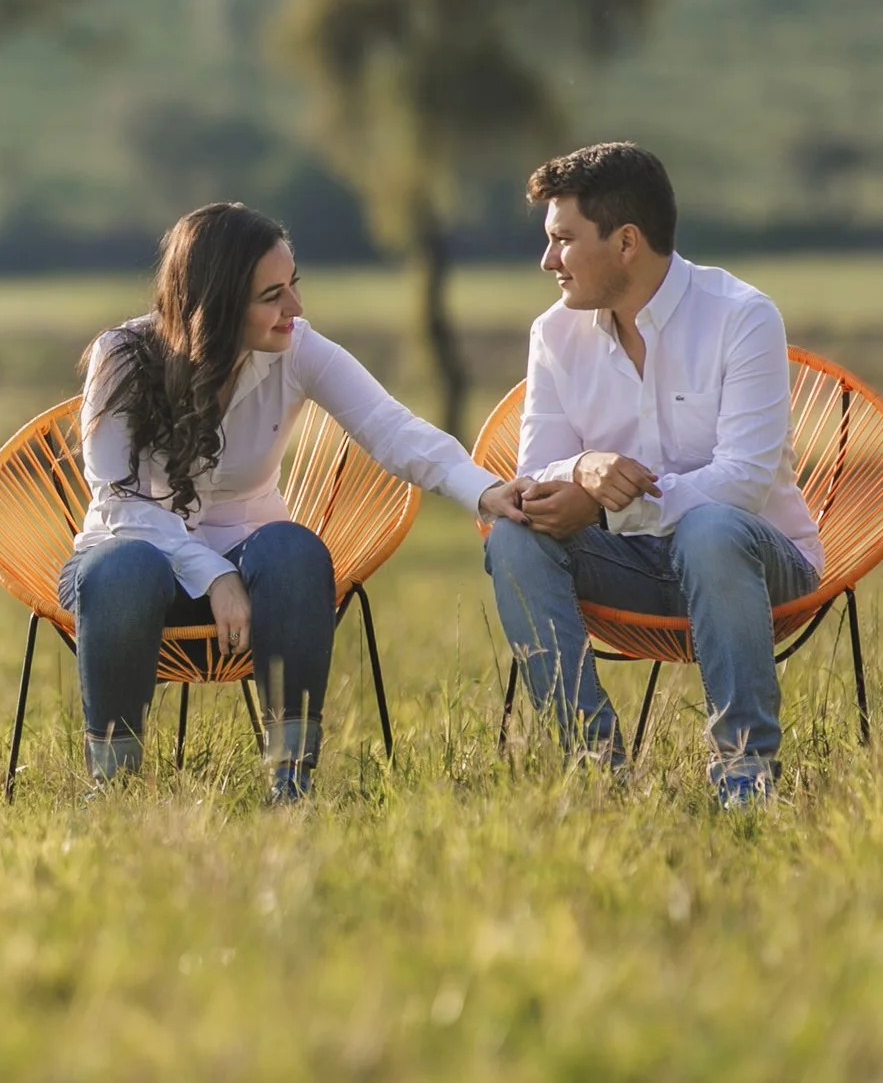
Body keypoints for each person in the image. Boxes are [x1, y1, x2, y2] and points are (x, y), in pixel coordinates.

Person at [67, 201, 525, 803]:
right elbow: (120, 501)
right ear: (217, 303)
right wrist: (213, 577)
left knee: (294, 549)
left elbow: (390, 428)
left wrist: (485, 488)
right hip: (129, 564)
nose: (295, 309)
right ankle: (116, 789)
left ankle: (290, 784)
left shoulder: (297, 349)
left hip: (255, 565)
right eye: (271, 295)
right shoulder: (123, 355)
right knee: (125, 566)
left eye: (294, 286)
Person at [485, 142, 823, 808]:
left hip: (757, 564)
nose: (547, 261)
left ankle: (745, 780)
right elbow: (532, 480)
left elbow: (743, 485)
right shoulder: (554, 335)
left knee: (711, 530)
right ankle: (596, 771)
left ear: (627, 242)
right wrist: (582, 469)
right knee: (512, 537)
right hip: (633, 570)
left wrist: (605, 509)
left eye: (563, 240)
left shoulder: (742, 316)